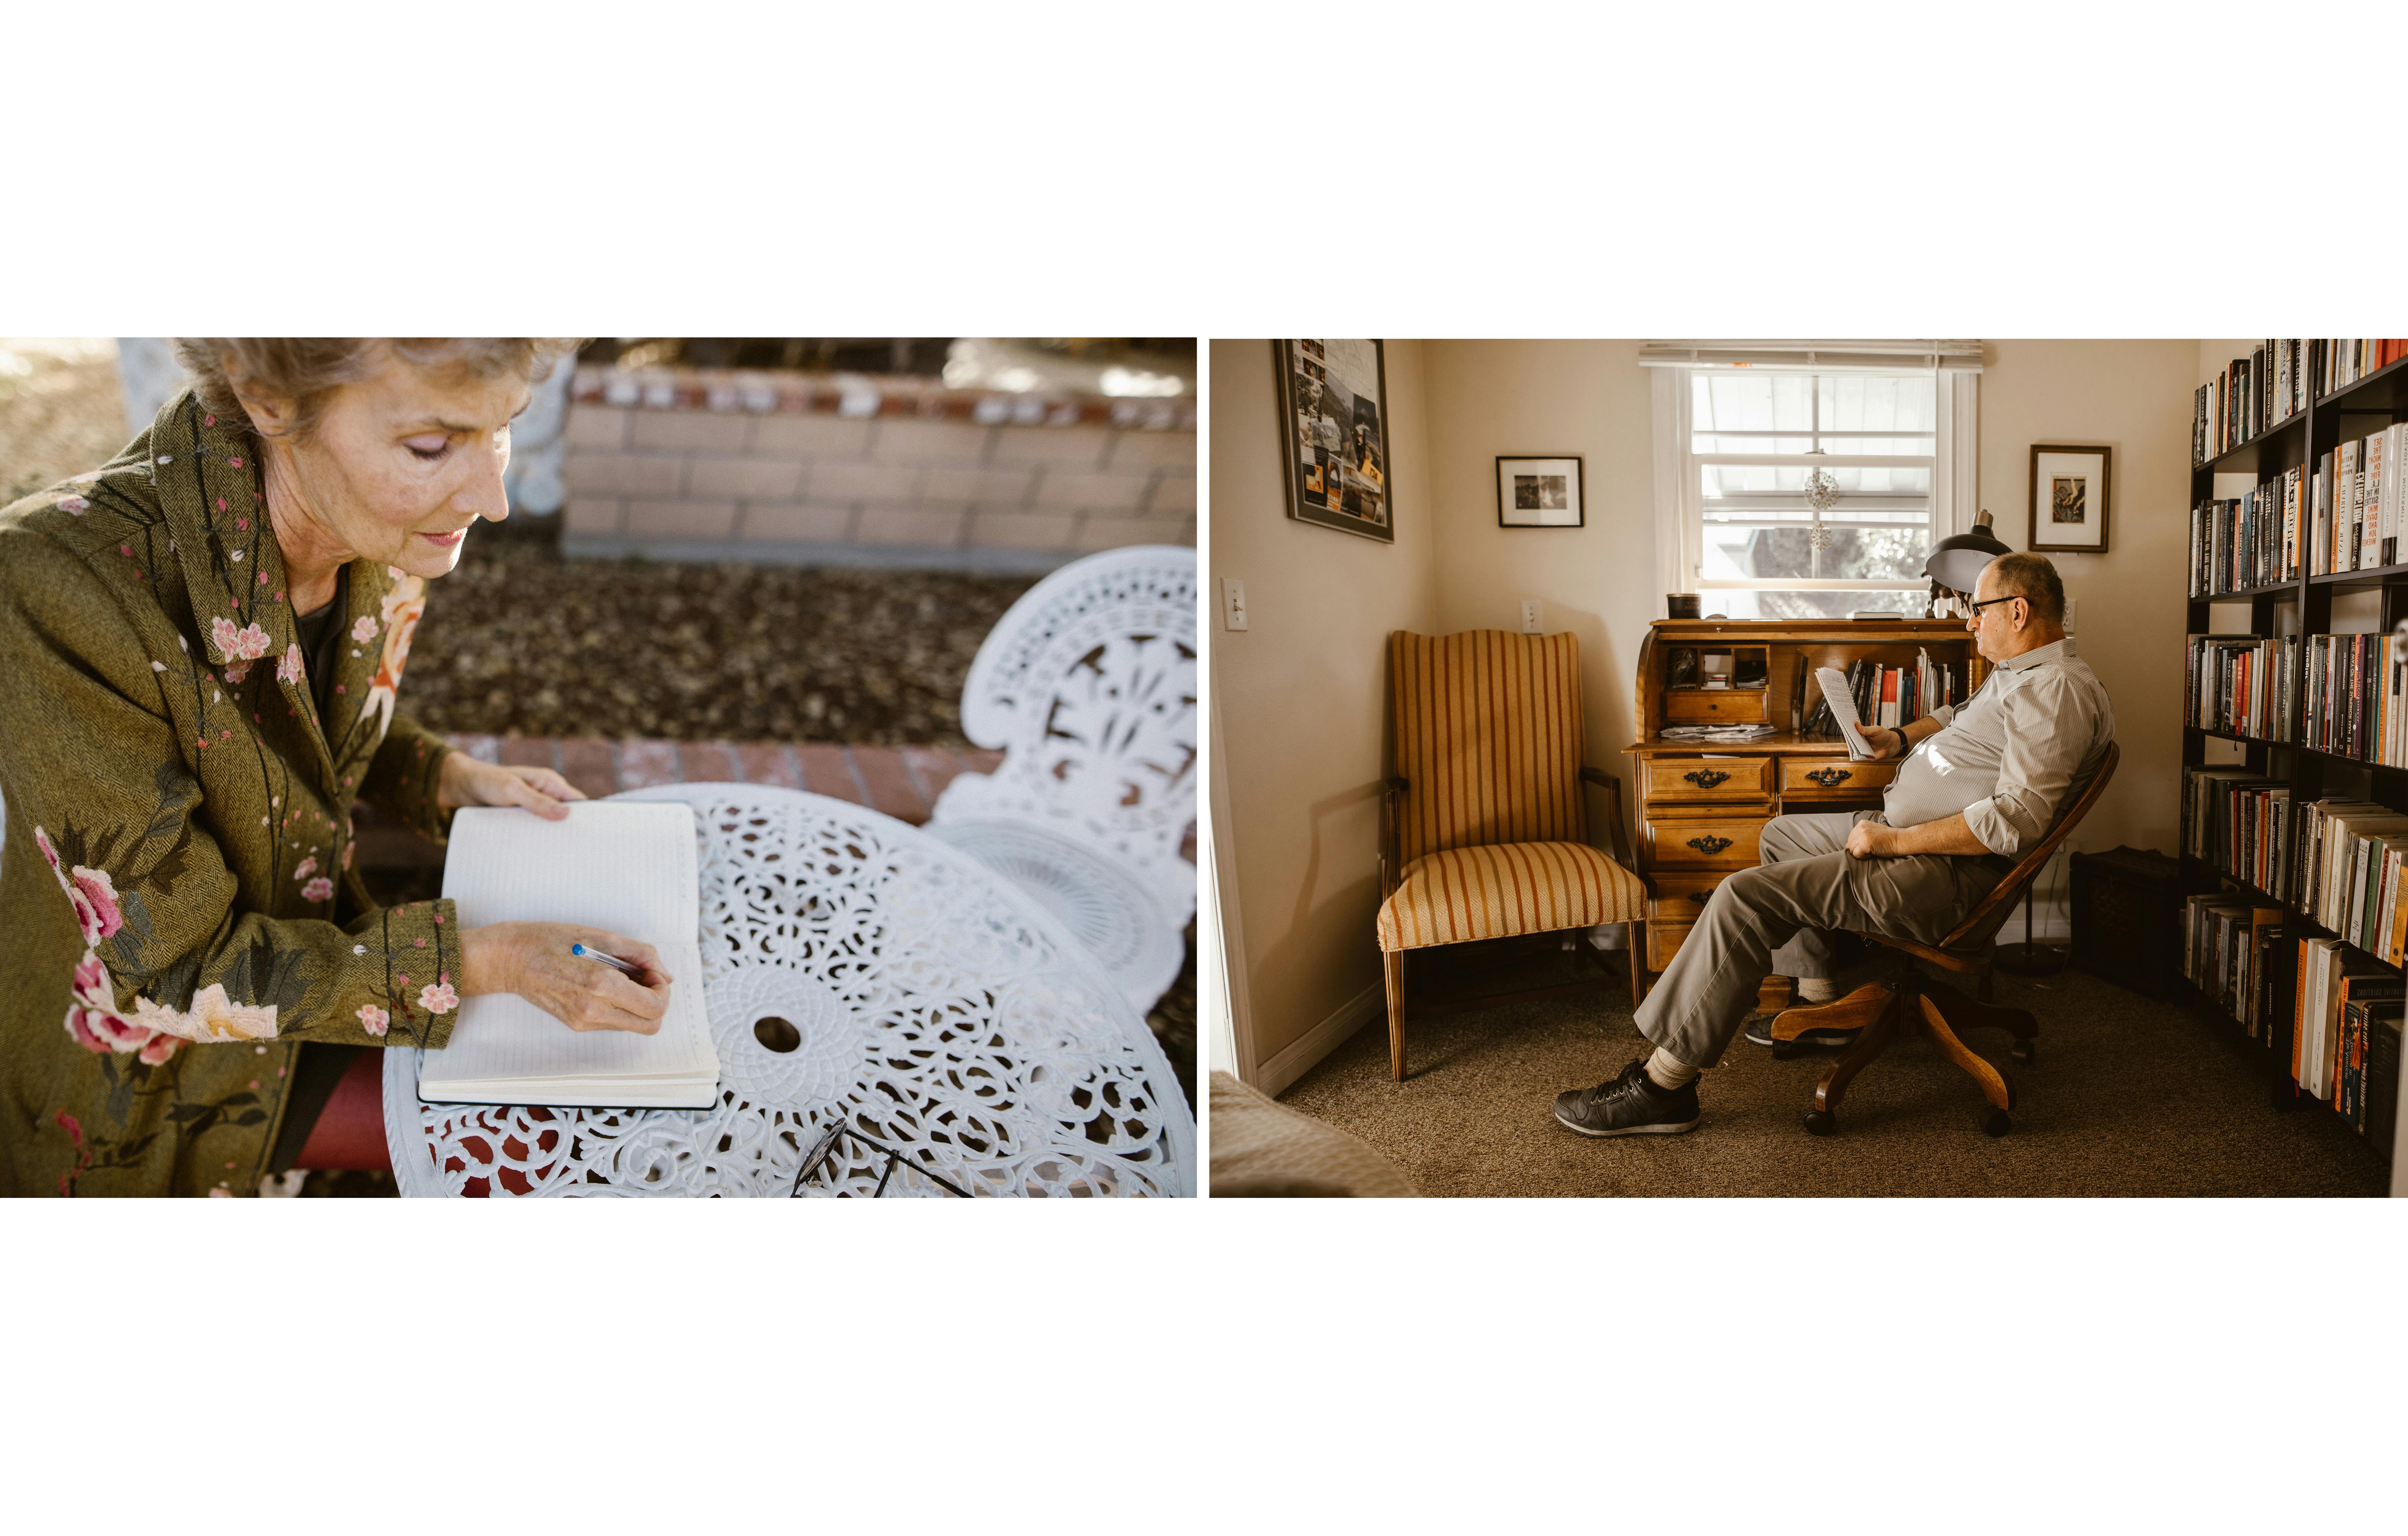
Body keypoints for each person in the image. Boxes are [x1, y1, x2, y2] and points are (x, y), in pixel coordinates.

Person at [0, 339, 675, 1197]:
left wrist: (436, 773)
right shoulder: (59, 588)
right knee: (548, 1148)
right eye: (432, 447)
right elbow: (169, 971)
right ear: (267, 397)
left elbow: (305, 719)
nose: (491, 500)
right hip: (162, 1091)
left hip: (336, 961)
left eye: (501, 431)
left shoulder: (375, 513)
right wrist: (488, 962)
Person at [1554, 550, 2115, 1137]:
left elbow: (2012, 824)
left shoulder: (2054, 694)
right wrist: (1899, 736)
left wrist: (1892, 843)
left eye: (1979, 609)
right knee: (1780, 834)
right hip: (1911, 840)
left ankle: (1662, 1087)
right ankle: (1821, 1005)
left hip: (1945, 873)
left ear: (2018, 611)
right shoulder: (2019, 672)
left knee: (1744, 897)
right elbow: (1959, 716)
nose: (1969, 621)